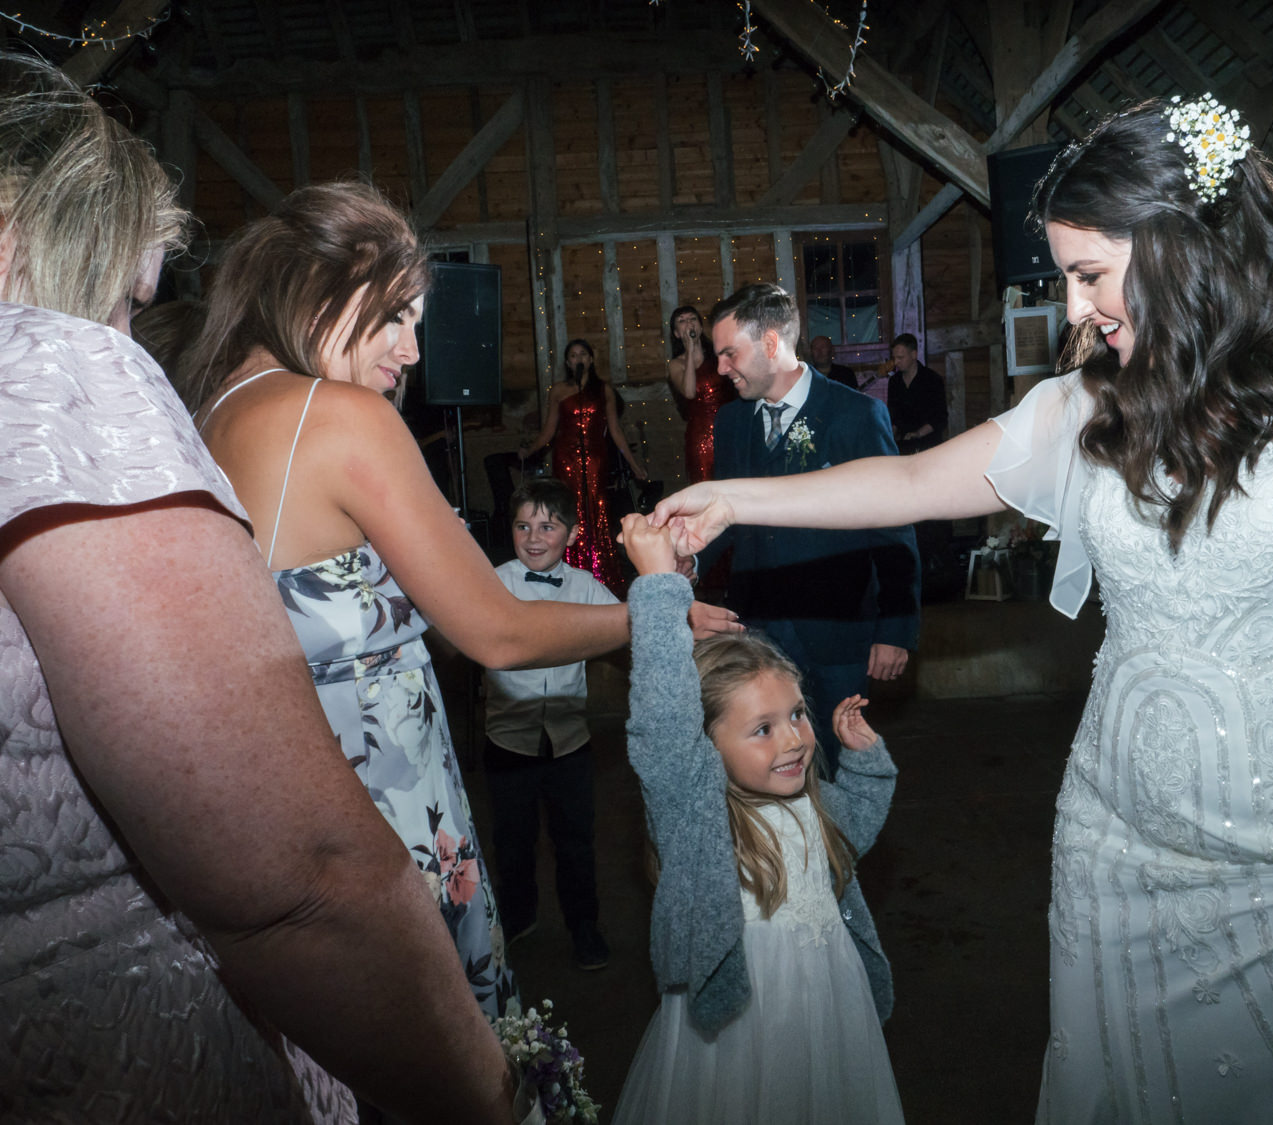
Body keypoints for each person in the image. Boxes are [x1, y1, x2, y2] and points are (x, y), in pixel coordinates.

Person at [654, 95, 1273, 1121]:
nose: (1073, 305)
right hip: (1119, 852)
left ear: (1183, 246)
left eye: (1090, 273)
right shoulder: (1092, 406)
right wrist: (734, 498)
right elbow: (916, 485)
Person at [0, 53, 517, 1122]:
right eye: (125, 293)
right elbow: (299, 882)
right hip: (134, 1055)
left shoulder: (220, 398)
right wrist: (492, 1099)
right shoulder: (55, 373)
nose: (123, 330)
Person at [181, 183, 734, 1024]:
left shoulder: (211, 406)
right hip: (383, 810)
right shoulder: (339, 417)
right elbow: (497, 629)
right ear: (324, 286)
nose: (412, 348)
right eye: (397, 315)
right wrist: (650, 611)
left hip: (278, 803)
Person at [610, 515, 905, 1124]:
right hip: (743, 1017)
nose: (795, 741)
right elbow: (662, 717)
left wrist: (865, 766)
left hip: (829, 994)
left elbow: (850, 834)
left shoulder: (805, 797)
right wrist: (662, 586)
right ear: (704, 743)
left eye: (797, 715)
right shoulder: (696, 809)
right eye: (762, 730)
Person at [697, 282, 920, 774]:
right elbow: (723, 515)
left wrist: (896, 628)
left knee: (838, 767)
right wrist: (682, 562)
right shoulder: (731, 423)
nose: (721, 369)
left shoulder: (855, 415)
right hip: (757, 629)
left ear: (771, 344)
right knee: (765, 771)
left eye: (730, 353)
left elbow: (892, 526)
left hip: (835, 630)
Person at [481, 478, 616, 971]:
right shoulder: (491, 584)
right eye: (522, 525)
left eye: (547, 525)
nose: (534, 537)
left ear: (573, 534)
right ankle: (519, 918)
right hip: (507, 742)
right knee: (511, 842)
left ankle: (584, 927)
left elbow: (628, 630)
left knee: (576, 843)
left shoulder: (587, 588)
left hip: (570, 743)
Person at [522, 338, 646, 595]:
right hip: (566, 460)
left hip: (595, 460)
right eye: (573, 355)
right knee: (569, 513)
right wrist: (530, 450)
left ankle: (600, 574)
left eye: (583, 354)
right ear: (568, 363)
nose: (578, 359)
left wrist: (634, 465)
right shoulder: (558, 390)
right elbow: (548, 431)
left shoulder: (604, 390)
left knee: (596, 513)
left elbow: (615, 430)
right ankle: (569, 572)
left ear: (590, 359)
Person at [667, 304, 736, 483]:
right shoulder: (676, 364)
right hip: (701, 436)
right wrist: (689, 350)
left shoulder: (718, 354)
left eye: (692, 319)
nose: (688, 323)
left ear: (700, 326)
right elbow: (689, 392)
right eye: (682, 321)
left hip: (728, 427)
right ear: (676, 333)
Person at [883, 332, 947, 455]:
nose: (896, 362)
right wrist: (889, 434)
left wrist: (918, 434)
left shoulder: (933, 380)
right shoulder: (894, 382)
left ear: (914, 355)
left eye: (900, 358)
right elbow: (893, 416)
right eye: (894, 358)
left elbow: (940, 418)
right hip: (903, 446)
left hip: (929, 445)